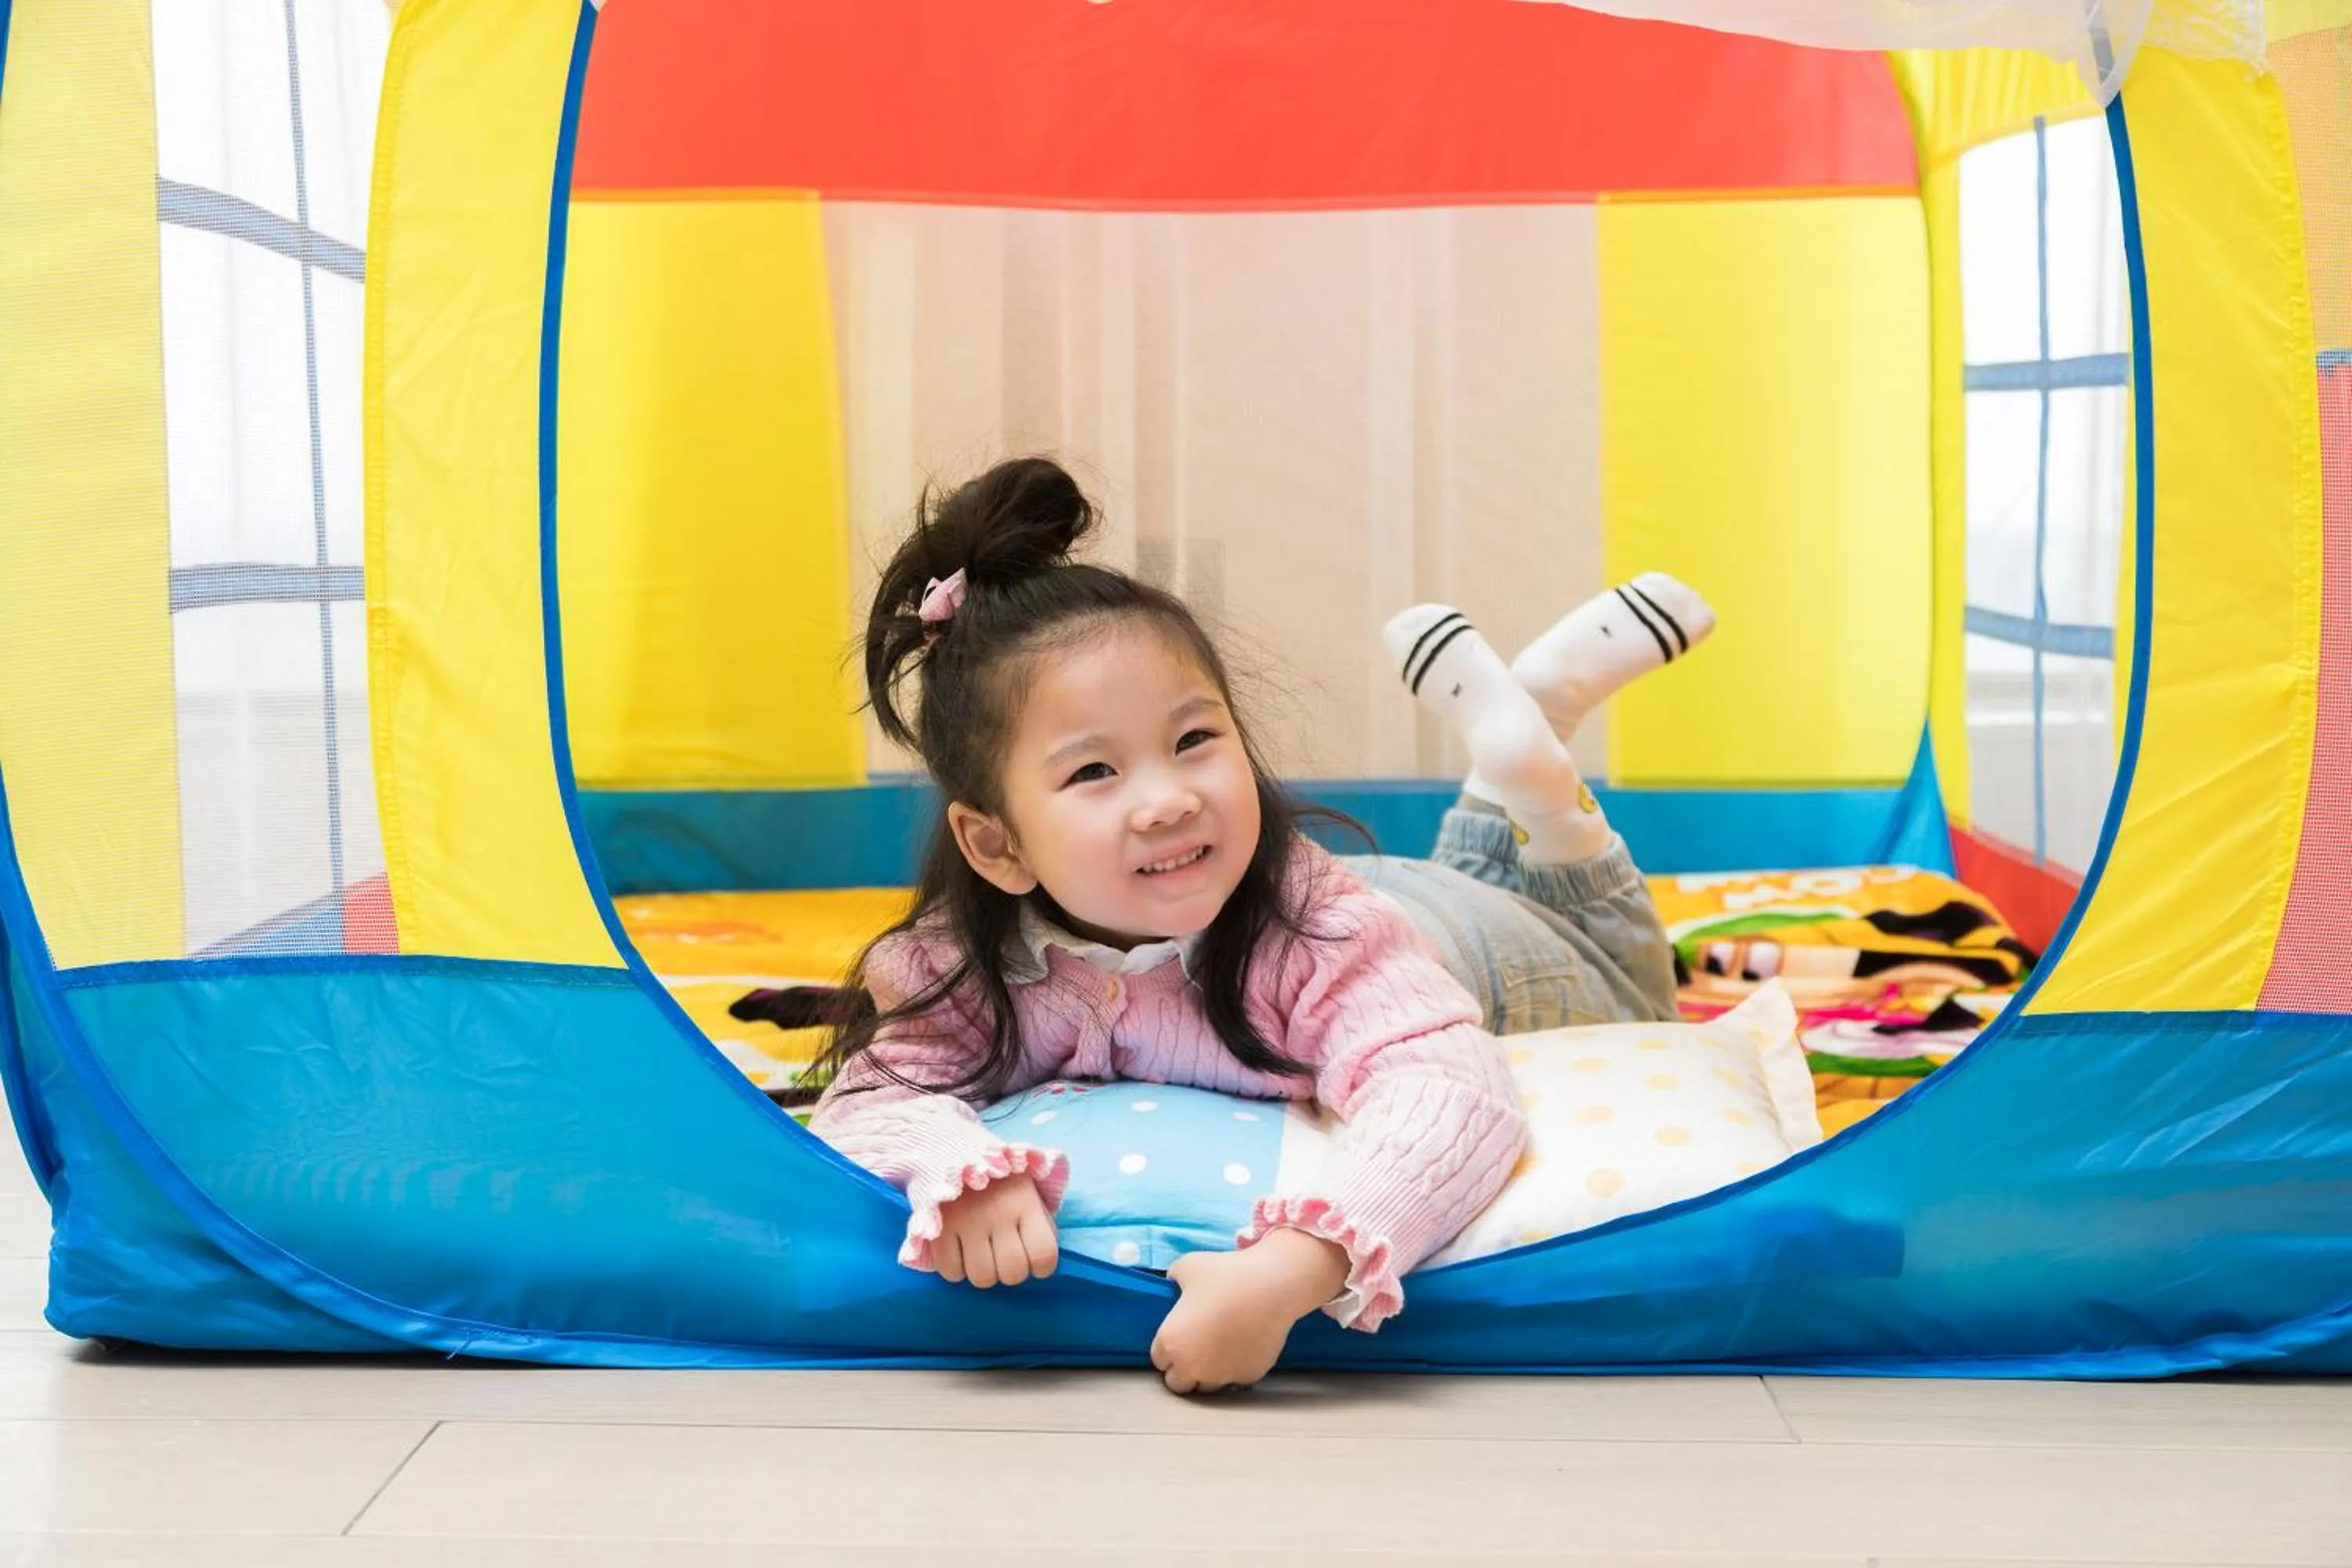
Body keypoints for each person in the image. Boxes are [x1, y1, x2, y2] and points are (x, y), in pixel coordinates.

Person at [810, 457, 1709, 1392]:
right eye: (1094, 773)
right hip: (1378, 897)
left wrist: (1298, 1261)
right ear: (997, 847)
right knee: (1459, 874)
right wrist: (959, 1167)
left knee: (1629, 985)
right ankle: (1520, 743)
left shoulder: (1316, 933)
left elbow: (1454, 1089)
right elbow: (870, 1103)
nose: (1168, 799)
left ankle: (1542, 771)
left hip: (1480, 948)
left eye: (1195, 740)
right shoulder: (961, 967)